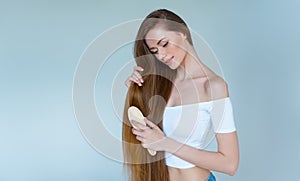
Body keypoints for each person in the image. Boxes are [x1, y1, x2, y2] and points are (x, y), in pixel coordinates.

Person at [122, 9, 239, 181]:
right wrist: (135, 91)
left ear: (182, 32)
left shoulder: (213, 87)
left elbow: (230, 164)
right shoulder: (158, 83)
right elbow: (142, 135)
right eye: (154, 51)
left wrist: (165, 143)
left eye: (164, 44)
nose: (160, 55)